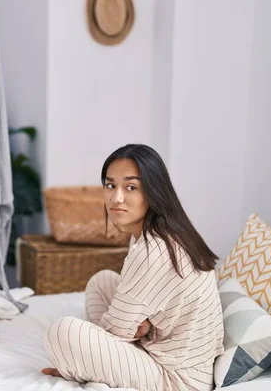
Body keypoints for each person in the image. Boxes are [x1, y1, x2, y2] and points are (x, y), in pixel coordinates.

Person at [41, 144, 225, 390]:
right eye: (110, 185)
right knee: (102, 280)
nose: (116, 198)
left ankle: (89, 361)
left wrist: (84, 354)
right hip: (159, 345)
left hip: (178, 380)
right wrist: (135, 327)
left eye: (131, 187)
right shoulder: (161, 231)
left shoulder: (154, 250)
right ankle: (104, 355)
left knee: (61, 332)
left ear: (153, 192)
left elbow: (113, 330)